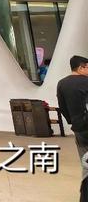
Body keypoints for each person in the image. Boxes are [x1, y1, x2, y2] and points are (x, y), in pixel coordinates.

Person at [55, 54, 88, 202]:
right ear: (81, 67)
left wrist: (73, 121)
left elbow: (62, 107)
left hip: (79, 129)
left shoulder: (62, 84)